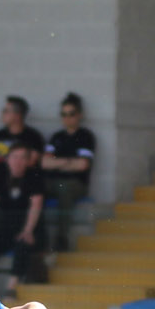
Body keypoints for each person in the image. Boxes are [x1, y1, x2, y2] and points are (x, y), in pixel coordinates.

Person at [0, 145, 46, 295]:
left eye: (22, 157)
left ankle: (11, 288)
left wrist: (28, 230)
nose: (17, 161)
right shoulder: (1, 176)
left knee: (24, 242)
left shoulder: (34, 177)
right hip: (4, 231)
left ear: (28, 161)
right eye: (14, 157)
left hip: (28, 229)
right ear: (8, 159)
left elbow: (36, 204)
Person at [41, 92, 95, 252]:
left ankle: (61, 239)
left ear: (79, 115)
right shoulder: (56, 137)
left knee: (64, 189)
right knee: (34, 188)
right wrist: (69, 162)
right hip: (52, 181)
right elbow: (44, 163)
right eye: (63, 114)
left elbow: (83, 165)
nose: (67, 118)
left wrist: (57, 163)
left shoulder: (86, 136)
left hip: (75, 183)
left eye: (71, 114)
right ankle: (37, 239)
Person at [0, 96, 46, 175]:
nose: (2, 114)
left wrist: (1, 156)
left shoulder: (33, 136)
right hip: (0, 179)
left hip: (26, 180)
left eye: (5, 111)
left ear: (17, 115)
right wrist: (17, 157)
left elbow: (32, 160)